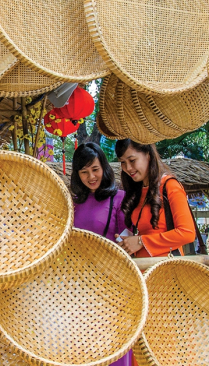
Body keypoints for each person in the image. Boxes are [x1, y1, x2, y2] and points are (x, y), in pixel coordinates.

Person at [71, 143, 129, 366]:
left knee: (114, 341)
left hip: (111, 282)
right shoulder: (74, 202)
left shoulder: (120, 198)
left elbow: (125, 238)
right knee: (83, 343)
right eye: (84, 172)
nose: (90, 176)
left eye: (94, 169)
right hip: (78, 284)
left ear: (104, 167)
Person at [114, 139, 196, 257]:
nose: (128, 168)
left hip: (165, 270)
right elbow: (149, 234)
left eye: (132, 160)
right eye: (123, 162)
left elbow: (187, 233)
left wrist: (141, 241)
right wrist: (130, 242)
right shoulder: (139, 189)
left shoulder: (170, 185)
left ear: (148, 154)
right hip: (142, 269)